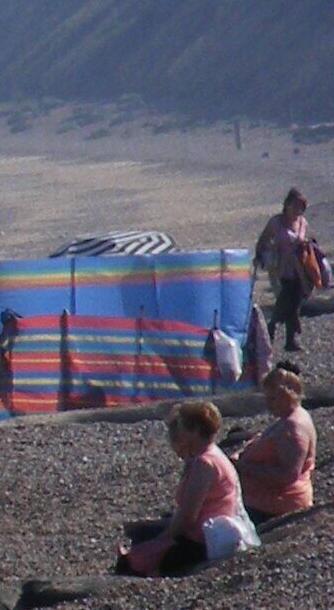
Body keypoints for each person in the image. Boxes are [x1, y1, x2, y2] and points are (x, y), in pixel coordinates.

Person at [118, 400, 263, 576]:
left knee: (138, 545)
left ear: (194, 430)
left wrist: (158, 541)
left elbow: (188, 517)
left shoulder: (204, 463)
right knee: (145, 530)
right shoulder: (213, 456)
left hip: (202, 541)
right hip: (207, 534)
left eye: (181, 427)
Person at [236, 366, 316, 524]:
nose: (267, 404)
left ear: (289, 395)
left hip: (277, 505)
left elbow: (288, 475)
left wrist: (244, 468)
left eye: (272, 399)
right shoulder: (288, 419)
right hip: (267, 500)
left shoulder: (293, 427)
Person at [256, 189, 314, 360]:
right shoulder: (276, 222)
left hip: (299, 268)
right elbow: (263, 239)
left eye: (301, 207)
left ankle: (279, 331)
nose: (298, 210)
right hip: (280, 268)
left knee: (294, 301)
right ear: (287, 205)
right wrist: (260, 255)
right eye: (295, 205)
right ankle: (279, 331)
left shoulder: (302, 223)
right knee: (286, 297)